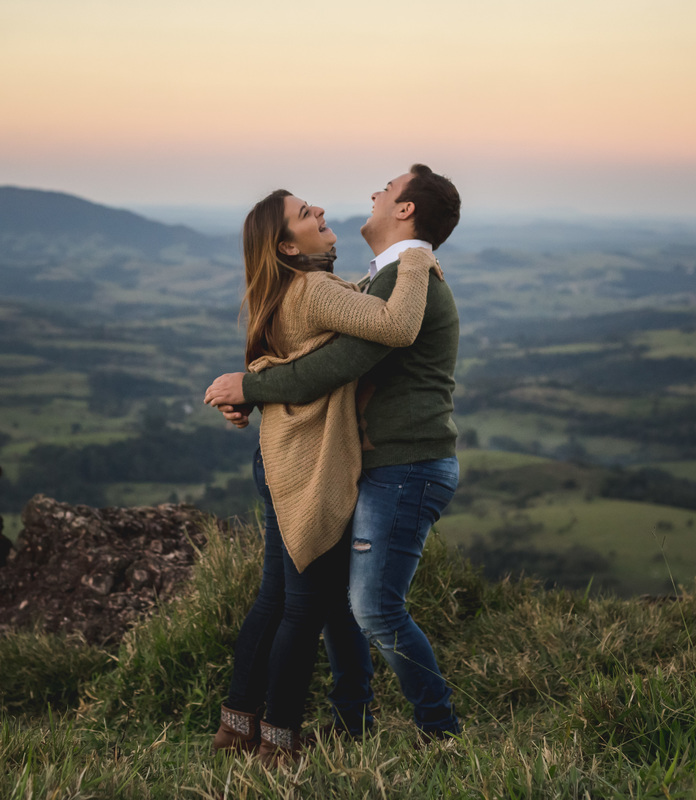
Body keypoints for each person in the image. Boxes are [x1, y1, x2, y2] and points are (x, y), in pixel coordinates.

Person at [205, 164, 464, 743]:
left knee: (360, 607)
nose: (372, 193)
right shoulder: (379, 278)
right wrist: (253, 384)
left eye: (387, 189)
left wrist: (250, 387)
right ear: (288, 245)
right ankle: (343, 723)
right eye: (306, 213)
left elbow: (333, 364)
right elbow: (313, 353)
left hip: (401, 465)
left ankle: (437, 730)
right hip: (349, 463)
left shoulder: (407, 277)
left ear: (405, 210)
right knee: (325, 606)